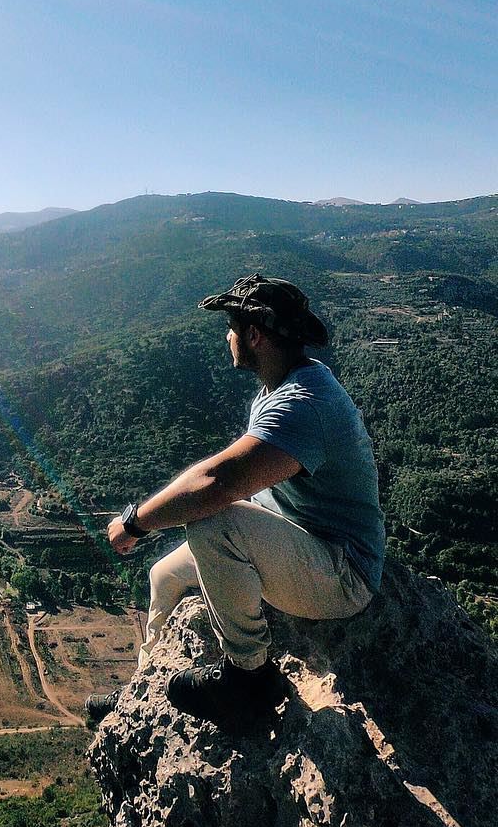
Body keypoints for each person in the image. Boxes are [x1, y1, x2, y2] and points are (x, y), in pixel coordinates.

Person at [86, 273, 385, 725]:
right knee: (164, 575)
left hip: (343, 574)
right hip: (301, 540)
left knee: (211, 519)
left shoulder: (303, 405)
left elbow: (214, 483)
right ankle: (141, 694)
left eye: (231, 328)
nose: (227, 338)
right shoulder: (285, 384)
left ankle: (248, 679)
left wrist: (134, 522)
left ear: (254, 335)